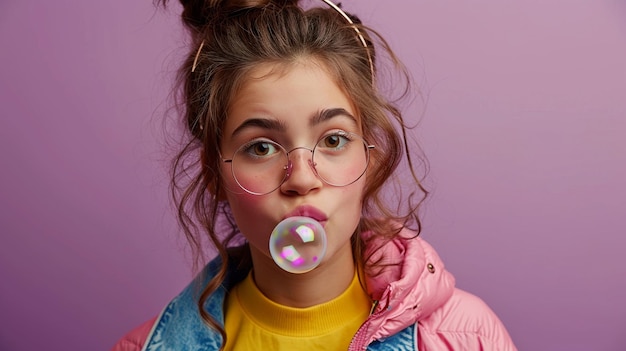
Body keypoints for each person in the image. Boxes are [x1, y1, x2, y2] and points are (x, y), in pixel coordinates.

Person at [113, 0, 517, 350]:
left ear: (371, 158)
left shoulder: (468, 338)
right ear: (215, 173)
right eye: (261, 147)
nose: (302, 179)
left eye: (334, 140)